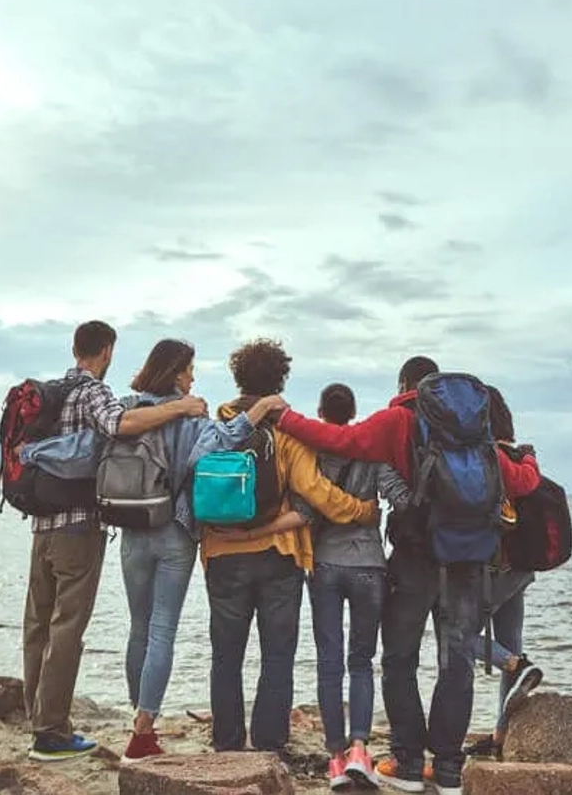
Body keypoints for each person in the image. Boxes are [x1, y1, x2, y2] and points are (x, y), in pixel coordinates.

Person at [273, 356, 484, 795]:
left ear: (405, 383)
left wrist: (286, 418)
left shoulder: (397, 419)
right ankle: (448, 769)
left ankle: (407, 762)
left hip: (414, 556)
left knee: (398, 659)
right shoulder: (472, 425)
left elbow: (339, 438)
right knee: (456, 661)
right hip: (467, 557)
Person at [23, 320, 208, 762]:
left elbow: (82, 447)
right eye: (189, 370)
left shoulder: (63, 394)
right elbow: (125, 429)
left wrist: (29, 455)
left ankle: (43, 720)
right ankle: (128, 728)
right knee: (138, 627)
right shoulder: (111, 400)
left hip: (85, 530)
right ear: (106, 350)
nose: (192, 378)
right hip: (143, 530)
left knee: (51, 625)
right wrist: (186, 410)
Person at [201, 339, 381, 755]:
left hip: (222, 552)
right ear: (279, 380)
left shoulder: (217, 426)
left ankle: (227, 744)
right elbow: (315, 491)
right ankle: (269, 743)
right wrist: (362, 511)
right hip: (278, 554)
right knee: (277, 654)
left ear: (237, 378)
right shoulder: (286, 431)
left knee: (226, 654)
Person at [117, 339, 288, 762]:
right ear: (176, 373)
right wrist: (260, 410)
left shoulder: (128, 407)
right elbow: (222, 442)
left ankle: (140, 720)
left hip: (132, 529)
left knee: (138, 627)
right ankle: (142, 730)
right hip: (174, 532)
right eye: (189, 369)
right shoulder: (192, 415)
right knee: (162, 629)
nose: (193, 377)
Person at [308, 383, 411, 790]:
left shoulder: (314, 453)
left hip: (324, 565)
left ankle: (334, 759)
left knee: (329, 662)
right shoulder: (373, 451)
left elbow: (305, 503)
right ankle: (359, 751)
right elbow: (401, 498)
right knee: (361, 661)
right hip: (370, 565)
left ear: (320, 412)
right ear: (352, 414)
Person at [462, 387, 544, 760]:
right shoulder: (520, 453)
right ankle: (500, 738)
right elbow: (528, 482)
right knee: (508, 639)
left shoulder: (489, 454)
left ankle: (518, 665)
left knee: (457, 635)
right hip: (522, 566)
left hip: (499, 567)